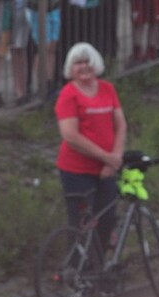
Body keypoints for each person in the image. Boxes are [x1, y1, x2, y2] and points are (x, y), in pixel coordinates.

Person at [54, 42, 127, 248]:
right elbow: (71, 136)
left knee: (107, 221)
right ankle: (77, 271)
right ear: (71, 68)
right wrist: (107, 158)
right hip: (77, 170)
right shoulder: (68, 95)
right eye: (78, 63)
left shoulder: (108, 89)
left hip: (107, 169)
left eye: (87, 61)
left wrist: (115, 159)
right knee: (81, 224)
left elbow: (120, 125)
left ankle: (99, 269)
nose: (84, 66)